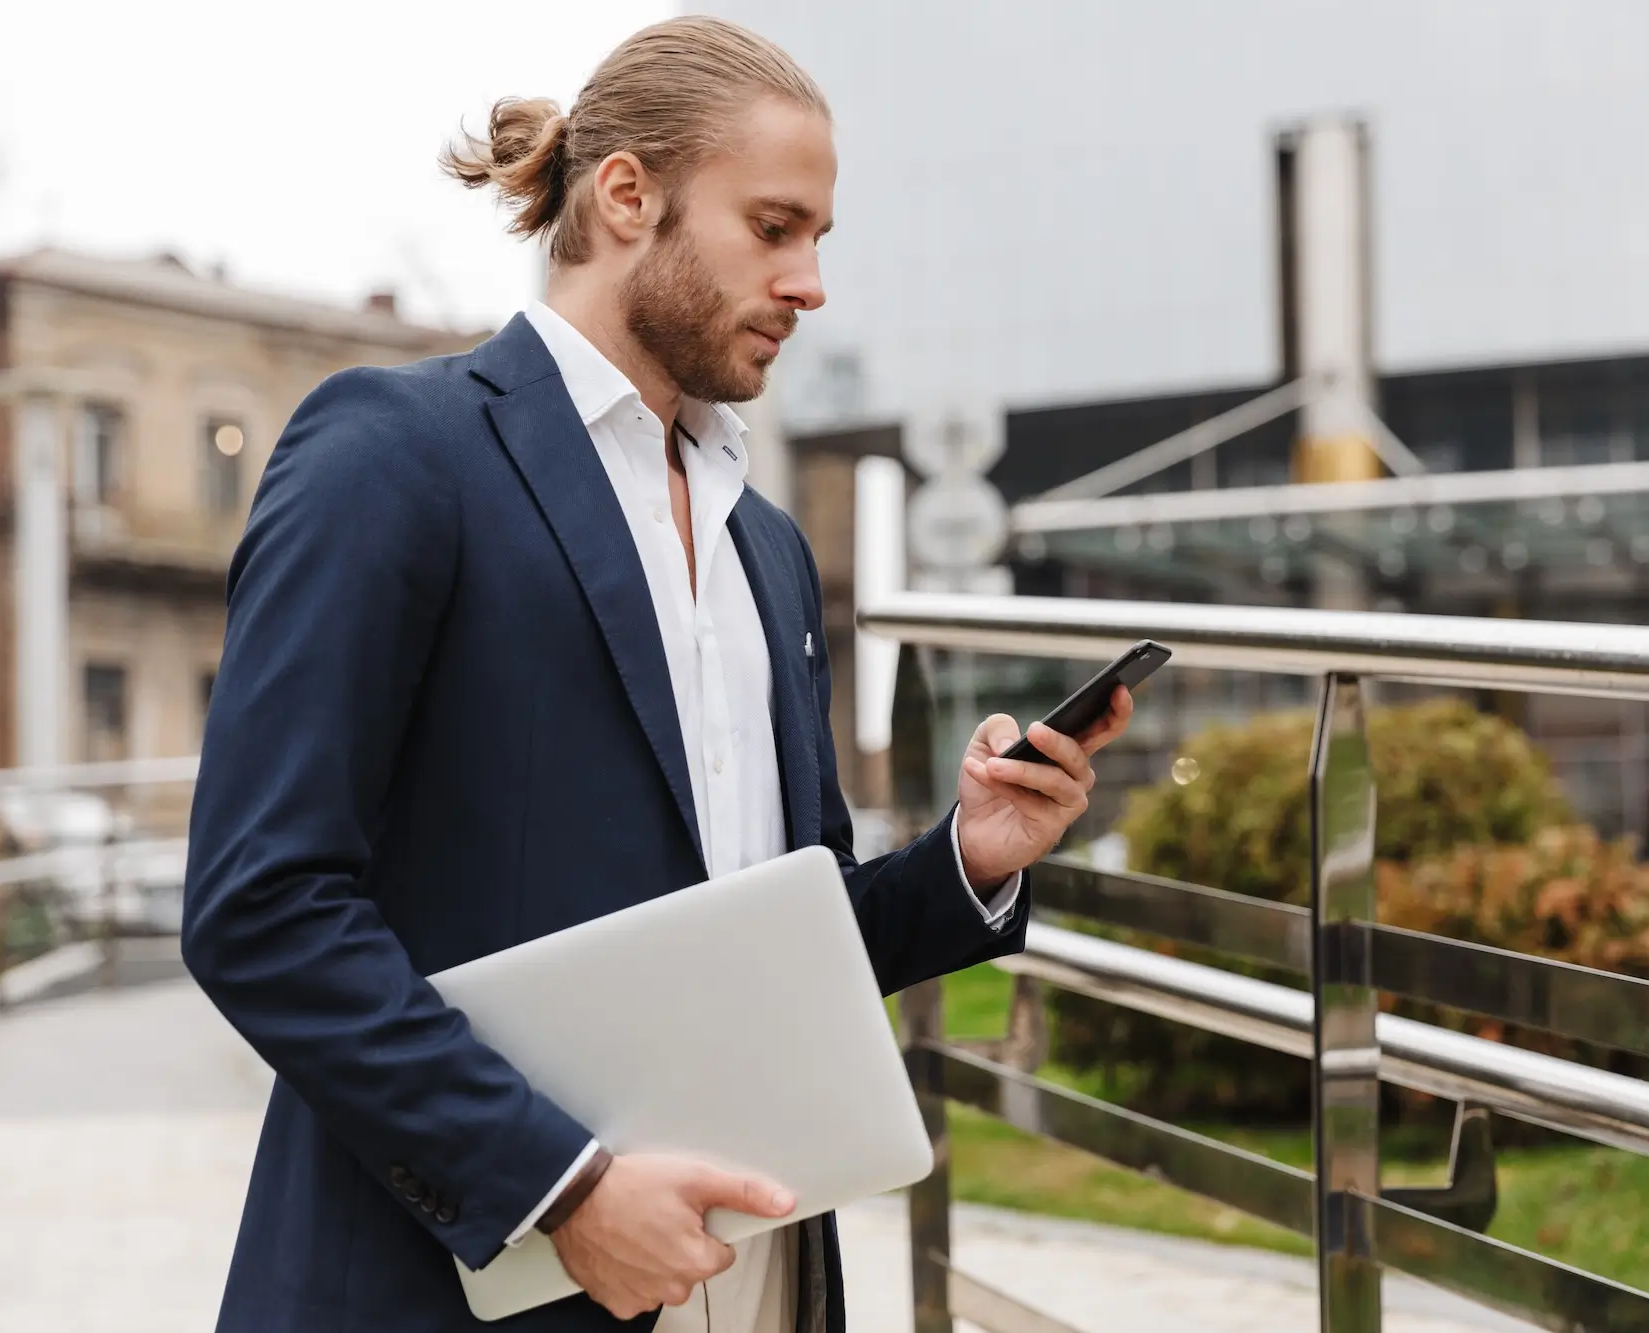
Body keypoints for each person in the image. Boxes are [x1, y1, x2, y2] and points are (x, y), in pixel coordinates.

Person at [181, 15, 1135, 1333]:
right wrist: (560, 1190)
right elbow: (263, 908)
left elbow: (779, 942)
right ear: (628, 196)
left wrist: (970, 859)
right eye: (774, 227)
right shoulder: (394, 458)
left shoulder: (768, 547)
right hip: (465, 1281)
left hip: (759, 1268)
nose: (810, 284)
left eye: (820, 238)